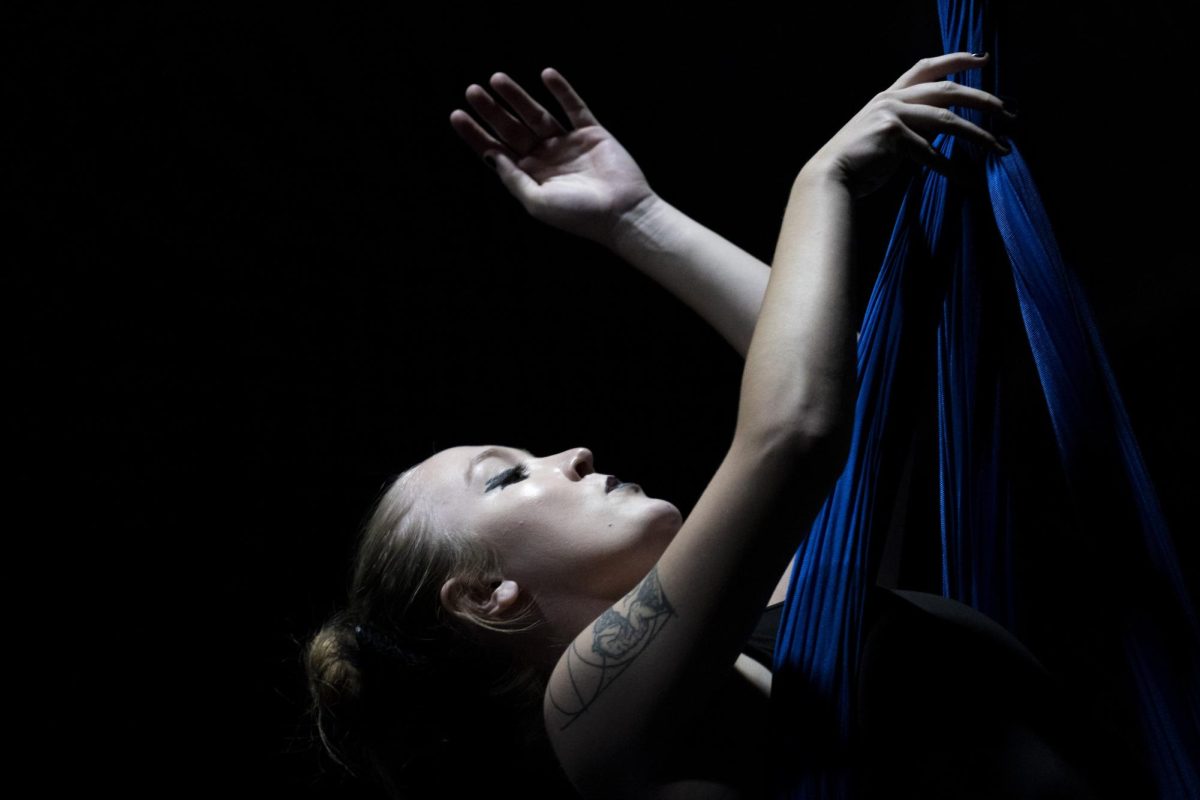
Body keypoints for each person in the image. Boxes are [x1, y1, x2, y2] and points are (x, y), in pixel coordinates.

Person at [304, 52, 1149, 798]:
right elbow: (794, 433)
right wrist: (821, 183)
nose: (572, 453)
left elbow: (836, 388)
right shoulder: (584, 722)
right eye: (509, 474)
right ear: (489, 598)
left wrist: (634, 217)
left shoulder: (777, 605)